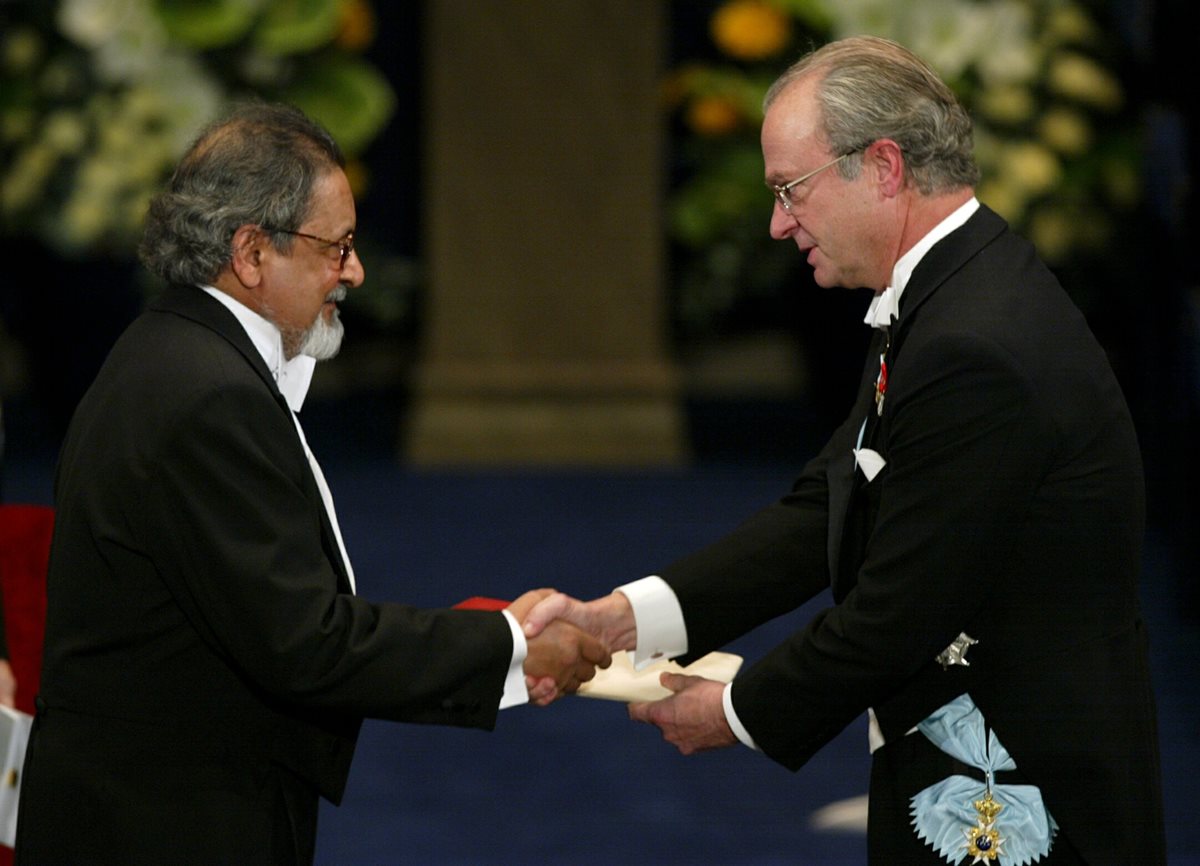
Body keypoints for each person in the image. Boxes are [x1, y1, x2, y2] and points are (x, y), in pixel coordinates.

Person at [526, 36, 1166, 865]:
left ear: (885, 167)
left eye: (791, 189)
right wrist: (623, 619)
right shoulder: (943, 292)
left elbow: (898, 613)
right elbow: (831, 501)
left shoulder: (974, 343)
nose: (777, 222)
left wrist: (737, 711)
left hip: (1021, 808)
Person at [14, 101, 608, 865]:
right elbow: (306, 644)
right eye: (339, 247)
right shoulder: (206, 394)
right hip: (166, 829)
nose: (354, 272)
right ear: (252, 252)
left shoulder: (174, 353)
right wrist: (509, 648)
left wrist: (500, 642)